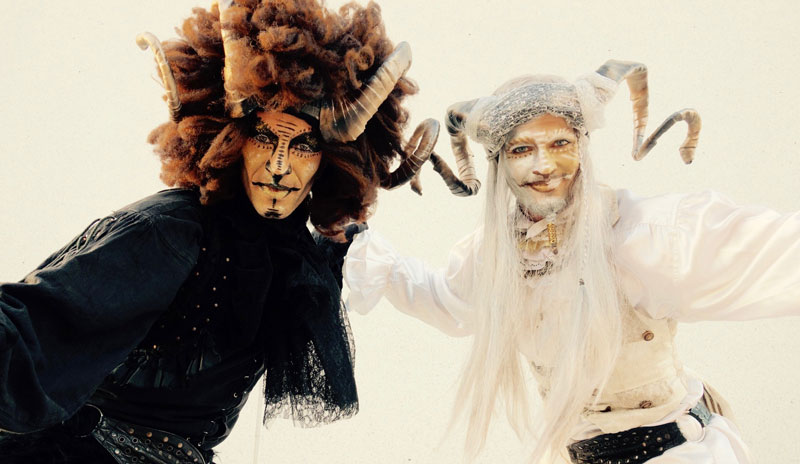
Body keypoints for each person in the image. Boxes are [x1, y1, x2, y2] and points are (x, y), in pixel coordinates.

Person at [0, 1, 463, 462]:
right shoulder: (171, 230)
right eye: (264, 137)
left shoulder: (294, 253)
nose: (279, 167)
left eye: (303, 146)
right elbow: (28, 326)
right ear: (231, 140)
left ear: (333, 162)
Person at [343, 61, 800, 463]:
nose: (544, 166)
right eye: (522, 149)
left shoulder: (647, 235)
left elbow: (772, 252)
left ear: (582, 147)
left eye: (560, 143)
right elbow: (445, 300)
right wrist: (354, 244)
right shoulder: (492, 256)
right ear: (500, 163)